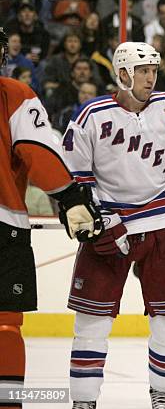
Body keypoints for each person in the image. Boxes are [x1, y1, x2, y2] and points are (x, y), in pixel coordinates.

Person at [61, 41, 165, 409]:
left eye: (154, 70)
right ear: (122, 74)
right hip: (111, 225)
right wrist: (100, 220)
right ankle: (84, 402)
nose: (150, 78)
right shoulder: (93, 114)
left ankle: (161, 396)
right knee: (91, 320)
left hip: (164, 223)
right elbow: (73, 178)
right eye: (143, 71)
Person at [0, 26, 103, 409]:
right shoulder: (13, 94)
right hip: (3, 226)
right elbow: (36, 152)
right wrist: (71, 195)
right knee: (5, 325)